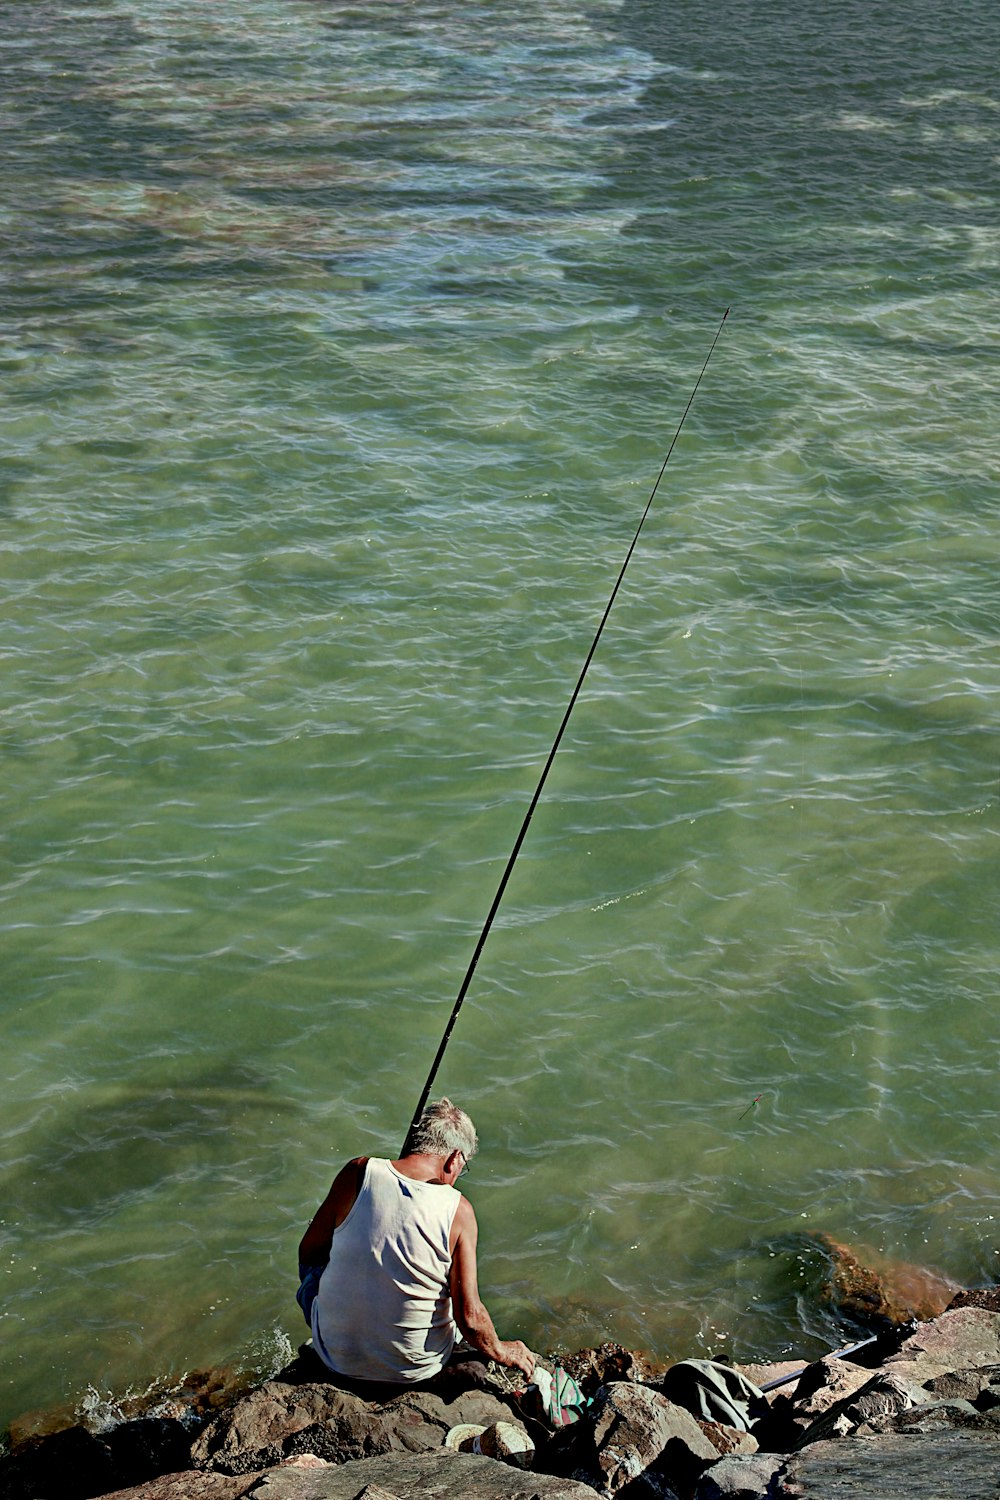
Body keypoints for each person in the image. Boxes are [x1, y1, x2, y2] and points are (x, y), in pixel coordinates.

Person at [297, 1097, 535, 1389]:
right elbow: (469, 1318)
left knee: (320, 1263)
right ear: (454, 1159)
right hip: (411, 1370)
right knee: (446, 1293)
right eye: (463, 1168)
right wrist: (501, 1350)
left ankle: (343, 1330)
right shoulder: (459, 1210)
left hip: (335, 1358)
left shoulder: (358, 1172)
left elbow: (308, 1252)